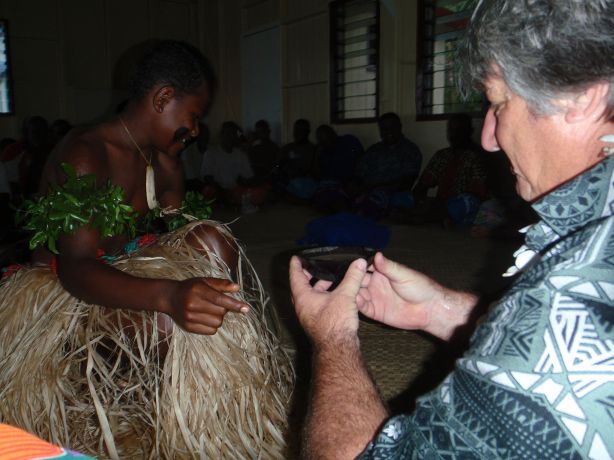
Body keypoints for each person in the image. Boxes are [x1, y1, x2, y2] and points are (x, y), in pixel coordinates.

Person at [289, 0, 614, 458]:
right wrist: (441, 311)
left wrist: (333, 338)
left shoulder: (568, 304)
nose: (489, 137)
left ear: (582, 96)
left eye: (499, 103)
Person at [0, 40, 292, 458]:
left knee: (214, 238)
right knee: (166, 323)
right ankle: (136, 391)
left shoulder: (158, 155)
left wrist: (172, 166)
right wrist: (170, 296)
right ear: (163, 99)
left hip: (126, 265)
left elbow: (178, 232)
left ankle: (246, 361)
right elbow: (76, 268)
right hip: (67, 293)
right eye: (193, 117)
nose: (194, 130)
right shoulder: (85, 154)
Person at [409, 113, 487, 226]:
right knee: (403, 199)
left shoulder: (479, 156)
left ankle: (431, 218)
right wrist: (417, 200)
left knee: (460, 205)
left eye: (459, 130)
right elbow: (422, 185)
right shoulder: (442, 155)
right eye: (451, 130)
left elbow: (477, 194)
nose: (454, 134)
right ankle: (437, 217)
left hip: (465, 205)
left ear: (470, 131)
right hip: (441, 204)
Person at [354, 112, 422, 219]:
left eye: (392, 127)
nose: (388, 132)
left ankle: (365, 212)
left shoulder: (410, 150)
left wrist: (376, 187)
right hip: (367, 190)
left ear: (400, 127)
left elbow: (407, 182)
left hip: (394, 193)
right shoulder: (373, 150)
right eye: (384, 129)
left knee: (395, 201)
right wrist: (357, 186)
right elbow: (358, 174)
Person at [313, 124, 363, 211]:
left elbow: (362, 160)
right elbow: (318, 177)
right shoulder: (322, 153)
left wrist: (356, 179)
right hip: (333, 185)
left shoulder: (349, 141)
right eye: (322, 142)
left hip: (353, 181)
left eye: (328, 139)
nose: (326, 144)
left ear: (334, 134)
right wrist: (316, 156)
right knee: (325, 193)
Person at [276, 118, 317, 199]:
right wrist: (280, 164)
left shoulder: (312, 149)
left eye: (301, 130)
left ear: (308, 132)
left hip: (302, 181)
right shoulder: (287, 148)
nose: (298, 133)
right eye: (296, 130)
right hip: (286, 179)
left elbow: (309, 169)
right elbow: (277, 165)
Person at [247, 119, 279, 185]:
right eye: (259, 132)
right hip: (256, 179)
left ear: (268, 131)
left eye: (263, 132)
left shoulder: (274, 148)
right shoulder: (254, 148)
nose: (261, 135)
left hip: (269, 180)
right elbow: (248, 163)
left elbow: (277, 166)